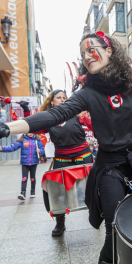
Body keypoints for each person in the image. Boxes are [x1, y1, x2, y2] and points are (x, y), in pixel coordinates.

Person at [0, 31, 132, 263]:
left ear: (109, 50)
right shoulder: (87, 94)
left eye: (91, 50)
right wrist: (5, 127)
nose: (86, 57)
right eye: (82, 54)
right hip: (111, 167)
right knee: (114, 227)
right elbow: (54, 115)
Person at [36, 89, 94, 237]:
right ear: (52, 102)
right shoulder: (49, 119)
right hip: (62, 159)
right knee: (57, 192)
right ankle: (60, 223)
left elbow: (96, 126)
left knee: (95, 187)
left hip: (83, 156)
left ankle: (98, 214)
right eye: (58, 97)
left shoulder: (78, 116)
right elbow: (33, 127)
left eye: (64, 97)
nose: (62, 100)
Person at [0, 133, 44, 200]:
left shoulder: (37, 140)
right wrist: (2, 148)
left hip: (34, 162)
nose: (31, 134)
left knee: (32, 178)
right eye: (29, 132)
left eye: (32, 132)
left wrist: (40, 151)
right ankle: (23, 193)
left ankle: (32, 191)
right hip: (24, 162)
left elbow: (42, 150)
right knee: (24, 178)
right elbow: (12, 147)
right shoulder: (22, 139)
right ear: (25, 132)